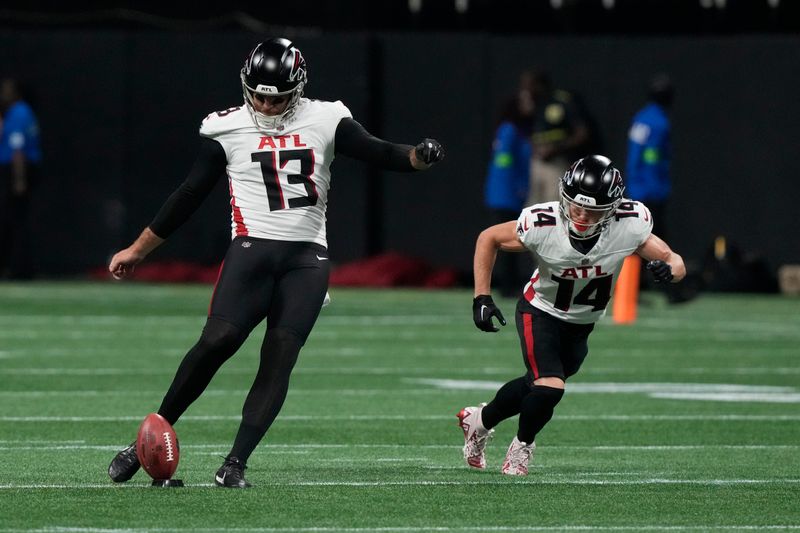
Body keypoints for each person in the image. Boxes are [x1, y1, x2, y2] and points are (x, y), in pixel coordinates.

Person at [106, 37, 444, 488]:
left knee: (280, 356)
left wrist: (418, 157)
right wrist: (138, 249)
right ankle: (149, 436)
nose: (266, 104)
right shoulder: (224, 126)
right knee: (217, 341)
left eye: (277, 96)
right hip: (251, 250)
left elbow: (381, 151)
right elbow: (188, 195)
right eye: (260, 94)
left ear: (298, 89)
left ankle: (235, 464)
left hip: (306, 258)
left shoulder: (327, 117)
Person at [457, 154, 685, 475]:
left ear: (611, 210)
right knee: (550, 386)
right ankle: (522, 447)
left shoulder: (629, 224)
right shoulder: (544, 223)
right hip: (540, 311)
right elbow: (488, 238)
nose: (580, 216)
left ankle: (477, 421)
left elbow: (673, 259)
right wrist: (481, 295)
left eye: (592, 211)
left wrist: (669, 270)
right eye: (576, 207)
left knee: (534, 386)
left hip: (582, 322)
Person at [483, 88, 534, 297]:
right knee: (507, 240)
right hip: (505, 193)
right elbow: (503, 161)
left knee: (516, 239)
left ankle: (510, 284)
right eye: (525, 102)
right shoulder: (509, 130)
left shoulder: (518, 130)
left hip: (511, 192)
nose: (529, 106)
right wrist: (515, 188)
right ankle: (506, 286)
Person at [520, 69, 591, 206]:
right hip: (535, 162)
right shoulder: (532, 105)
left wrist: (556, 149)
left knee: (554, 203)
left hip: (558, 162)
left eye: (529, 86)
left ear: (540, 85)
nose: (526, 90)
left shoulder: (561, 101)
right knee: (532, 205)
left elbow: (582, 134)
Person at [0, 77, 42, 279]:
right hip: (21, 170)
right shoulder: (20, 113)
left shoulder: (18, 113)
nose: (3, 93)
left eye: (7, 90)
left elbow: (17, 150)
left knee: (15, 220)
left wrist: (18, 178)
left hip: (16, 171)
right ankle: (18, 266)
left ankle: (19, 268)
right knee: (16, 220)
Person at [625, 73, 674, 243]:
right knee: (653, 240)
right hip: (650, 190)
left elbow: (635, 155)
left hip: (638, 187)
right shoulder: (659, 122)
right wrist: (656, 188)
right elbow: (649, 156)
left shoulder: (641, 117)